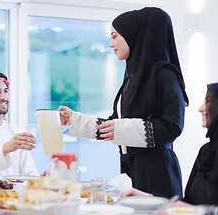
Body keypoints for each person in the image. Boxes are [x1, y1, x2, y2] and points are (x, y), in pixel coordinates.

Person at [59, 7, 189, 198]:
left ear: (134, 36)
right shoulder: (133, 77)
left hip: (157, 172)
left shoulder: (166, 74)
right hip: (132, 169)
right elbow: (117, 122)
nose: (111, 44)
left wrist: (122, 129)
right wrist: (75, 120)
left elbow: (173, 126)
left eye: (114, 36)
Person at [121, 83, 218, 206]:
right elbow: (188, 203)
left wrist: (196, 212)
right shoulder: (206, 151)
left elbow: (194, 208)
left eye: (209, 102)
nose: (201, 109)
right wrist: (149, 198)